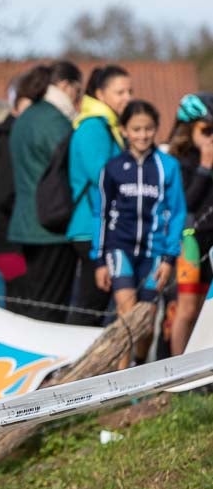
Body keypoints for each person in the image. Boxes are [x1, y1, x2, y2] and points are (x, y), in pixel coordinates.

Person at [92, 100, 186, 360]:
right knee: (126, 314)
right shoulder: (112, 168)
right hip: (119, 248)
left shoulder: (168, 166)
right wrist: (99, 260)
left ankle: (140, 365)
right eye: (136, 129)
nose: (142, 135)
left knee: (146, 321)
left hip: (155, 252)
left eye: (148, 129)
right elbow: (100, 213)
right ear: (124, 130)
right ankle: (121, 385)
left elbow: (176, 213)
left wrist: (169, 257)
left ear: (156, 129)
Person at [8, 59, 83, 322]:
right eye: (78, 91)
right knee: (49, 314)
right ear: (65, 86)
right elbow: (72, 169)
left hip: (21, 227)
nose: (79, 99)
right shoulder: (56, 122)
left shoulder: (26, 117)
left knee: (24, 311)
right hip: (50, 229)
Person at [67, 65, 133, 326]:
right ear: (101, 93)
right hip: (92, 228)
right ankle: (79, 364)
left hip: (102, 227)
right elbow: (102, 177)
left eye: (130, 91)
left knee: (95, 306)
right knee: (90, 308)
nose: (127, 97)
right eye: (120, 92)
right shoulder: (94, 127)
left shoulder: (108, 126)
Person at [0, 67, 53, 298]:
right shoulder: (9, 139)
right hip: (12, 241)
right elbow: (3, 193)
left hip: (16, 236)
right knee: (20, 308)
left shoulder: (15, 136)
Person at [169, 93, 213, 353]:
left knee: (204, 312)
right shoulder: (178, 161)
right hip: (190, 240)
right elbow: (186, 202)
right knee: (186, 310)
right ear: (189, 128)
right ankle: (177, 375)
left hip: (211, 240)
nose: (211, 136)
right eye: (205, 129)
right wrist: (205, 167)